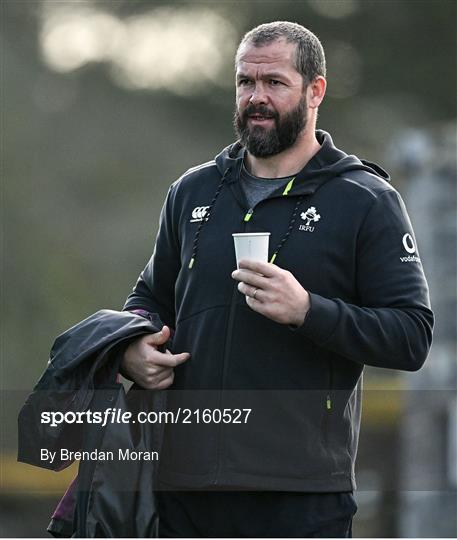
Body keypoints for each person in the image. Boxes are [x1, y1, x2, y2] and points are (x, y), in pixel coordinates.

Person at [121, 21, 434, 538]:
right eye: (246, 82)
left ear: (316, 91)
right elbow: (149, 299)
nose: (256, 98)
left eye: (274, 83)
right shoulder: (192, 191)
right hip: (183, 486)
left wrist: (309, 310)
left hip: (300, 494)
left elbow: (411, 337)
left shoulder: (365, 200)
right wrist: (133, 346)